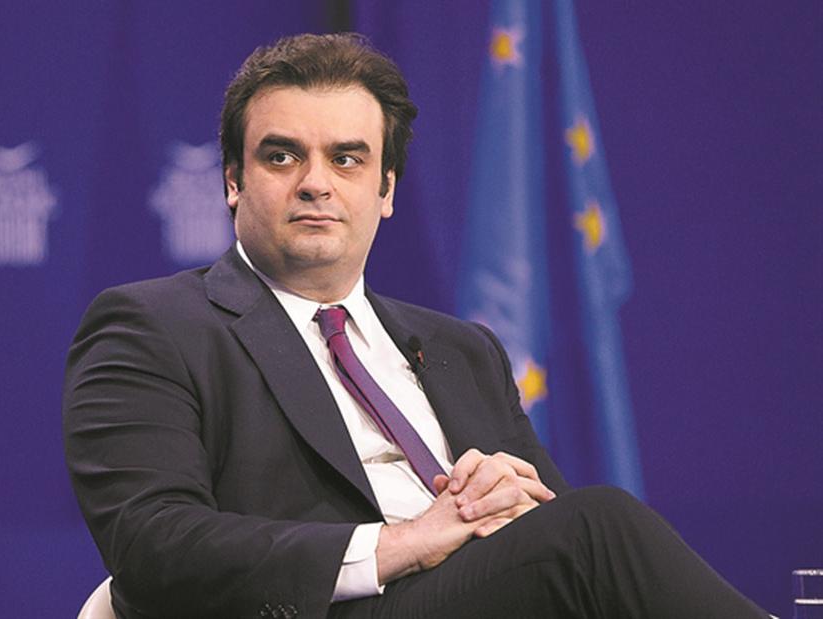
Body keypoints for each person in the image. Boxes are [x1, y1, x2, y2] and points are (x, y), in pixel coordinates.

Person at [63, 33, 770, 619]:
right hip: (334, 607)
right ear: (232, 182)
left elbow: (545, 532)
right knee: (601, 527)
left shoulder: (464, 349)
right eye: (281, 156)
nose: (316, 182)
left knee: (583, 530)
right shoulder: (154, 326)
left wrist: (507, 496)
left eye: (347, 158)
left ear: (387, 190)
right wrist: (403, 543)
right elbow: (153, 545)